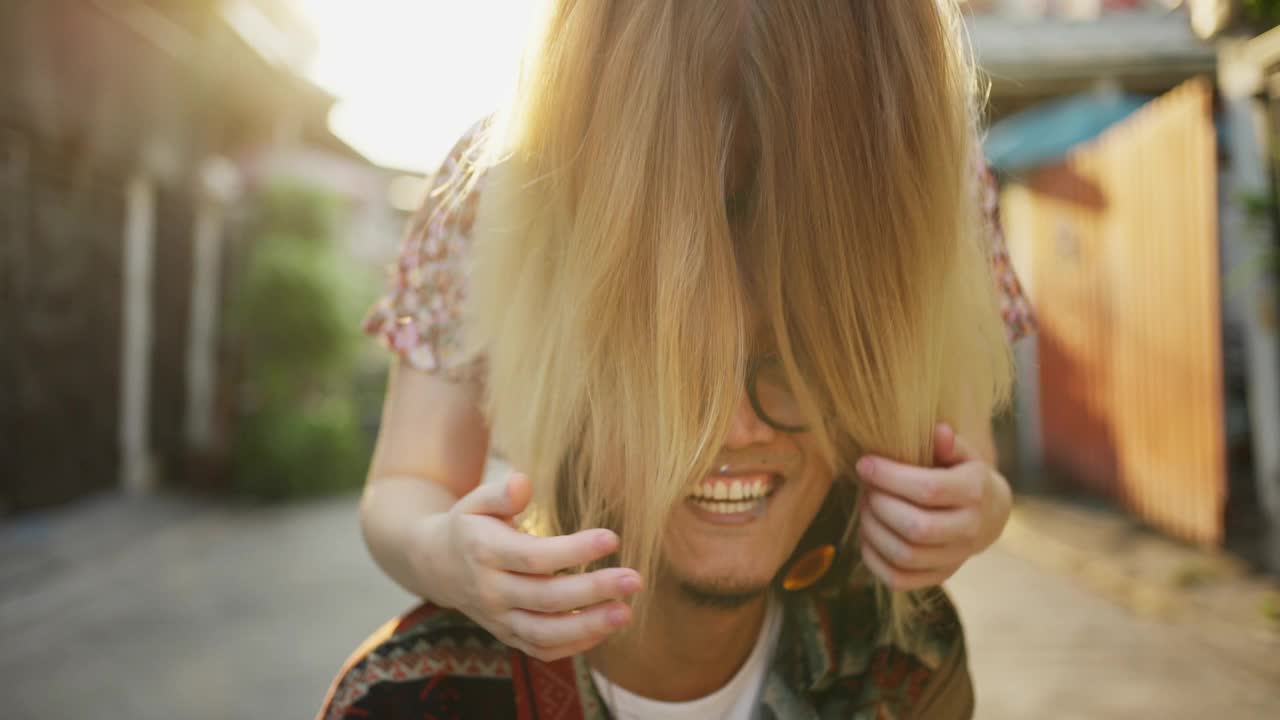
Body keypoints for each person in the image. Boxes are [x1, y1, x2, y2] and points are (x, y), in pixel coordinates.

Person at [322, 1, 1034, 717]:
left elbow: (970, 468)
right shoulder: (502, 181)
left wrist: (975, 512)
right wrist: (441, 556)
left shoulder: (932, 172)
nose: (734, 423)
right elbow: (408, 482)